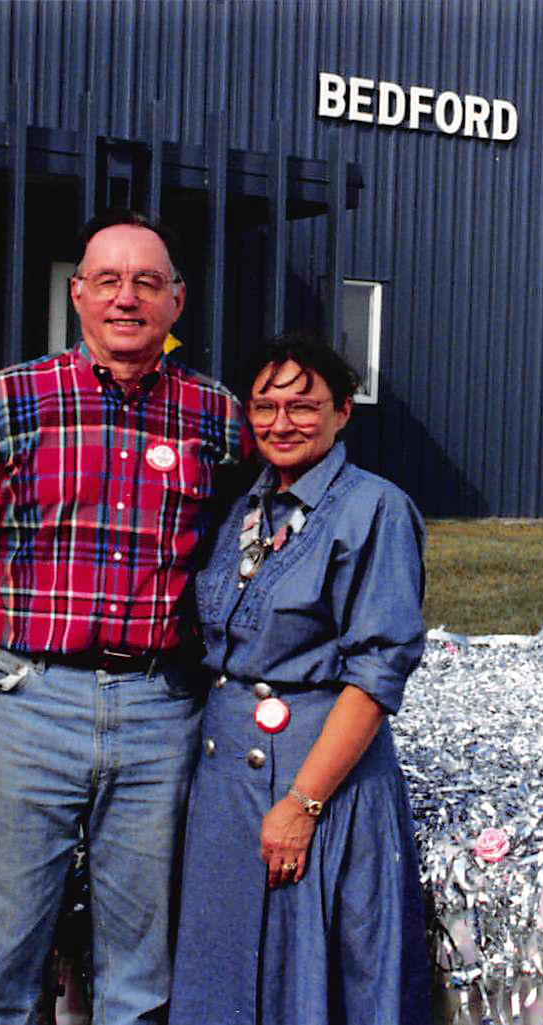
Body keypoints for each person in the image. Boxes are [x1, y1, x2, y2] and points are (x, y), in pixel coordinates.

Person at [0, 208, 250, 1023]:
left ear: (178, 300)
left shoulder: (217, 418)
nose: (127, 298)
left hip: (159, 711)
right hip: (32, 704)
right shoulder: (5, 404)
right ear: (78, 295)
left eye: (147, 282)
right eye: (108, 280)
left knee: (139, 979)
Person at [169, 336, 433, 1025]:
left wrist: (302, 804)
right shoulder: (240, 504)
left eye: (303, 405)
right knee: (226, 972)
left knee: (306, 978)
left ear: (344, 411)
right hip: (226, 789)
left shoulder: (374, 509)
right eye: (266, 404)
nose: (281, 421)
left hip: (320, 786)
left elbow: (377, 674)